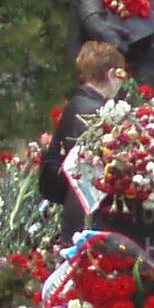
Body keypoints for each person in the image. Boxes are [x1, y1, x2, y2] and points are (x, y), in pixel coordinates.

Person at [38, 40, 126, 220]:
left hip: (74, 203)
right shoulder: (96, 112)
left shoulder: (76, 104)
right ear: (112, 74)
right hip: (91, 211)